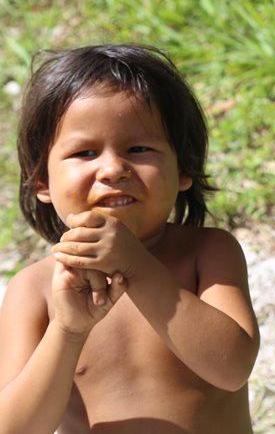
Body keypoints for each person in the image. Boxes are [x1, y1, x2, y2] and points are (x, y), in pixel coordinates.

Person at [0, 44, 260, 433]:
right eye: (85, 152)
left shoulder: (207, 254)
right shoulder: (35, 290)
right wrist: (68, 331)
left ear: (184, 168)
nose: (113, 169)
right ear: (42, 182)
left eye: (138, 149)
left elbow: (232, 367)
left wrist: (136, 265)